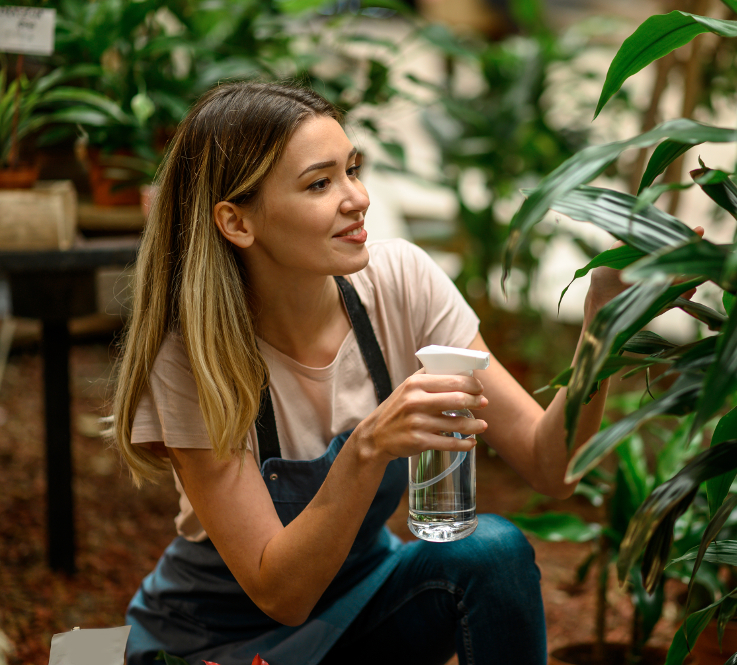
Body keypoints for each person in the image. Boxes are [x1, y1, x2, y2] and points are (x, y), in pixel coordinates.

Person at [110, 81, 664, 665]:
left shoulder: (400, 281)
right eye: (320, 183)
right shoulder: (194, 353)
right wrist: (367, 446)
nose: (359, 197)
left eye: (353, 169)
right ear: (237, 222)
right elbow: (280, 593)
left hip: (365, 605)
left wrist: (606, 326)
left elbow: (551, 466)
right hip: (220, 636)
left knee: (491, 552)